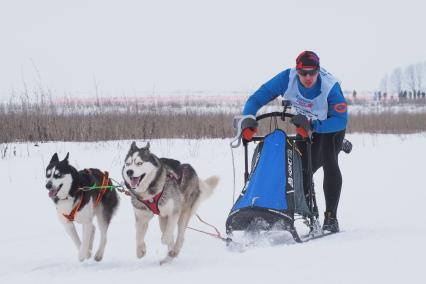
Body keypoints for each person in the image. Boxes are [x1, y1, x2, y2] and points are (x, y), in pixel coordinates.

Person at [239, 50, 349, 233]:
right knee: (303, 168)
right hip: (304, 123)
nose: (307, 77)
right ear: (296, 70)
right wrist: (248, 118)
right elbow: (256, 98)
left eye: (312, 73)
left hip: (329, 126)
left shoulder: (330, 87)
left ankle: (331, 217)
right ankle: (309, 212)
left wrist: (314, 126)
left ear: (318, 71)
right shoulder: (285, 79)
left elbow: (341, 120)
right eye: (303, 72)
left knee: (329, 159)